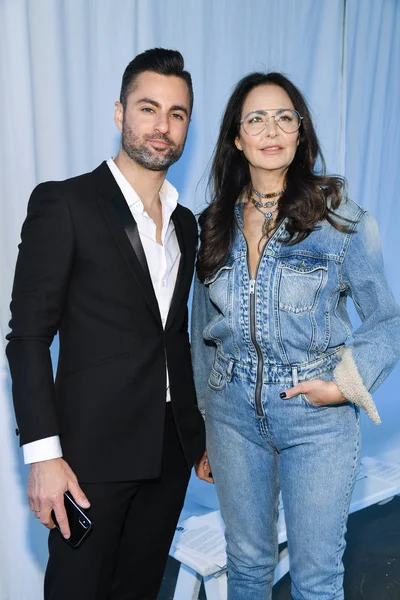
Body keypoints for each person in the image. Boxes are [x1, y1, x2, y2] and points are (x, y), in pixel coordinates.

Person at [192, 71, 400, 600]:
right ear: (237, 138)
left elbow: (388, 320)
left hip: (316, 419)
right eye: (256, 118)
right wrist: (205, 427)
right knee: (246, 567)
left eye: (285, 117)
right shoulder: (212, 223)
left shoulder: (340, 220)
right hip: (231, 416)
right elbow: (200, 335)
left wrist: (344, 384)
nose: (271, 129)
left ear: (300, 133)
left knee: (315, 579)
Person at [6, 48, 205, 600]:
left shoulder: (185, 223)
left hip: (169, 451)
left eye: (177, 113)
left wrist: (198, 432)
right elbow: (26, 339)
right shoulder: (64, 203)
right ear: (120, 113)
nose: (162, 126)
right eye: (148, 108)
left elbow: (175, 335)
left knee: (140, 589)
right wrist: (45, 457)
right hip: (89, 457)